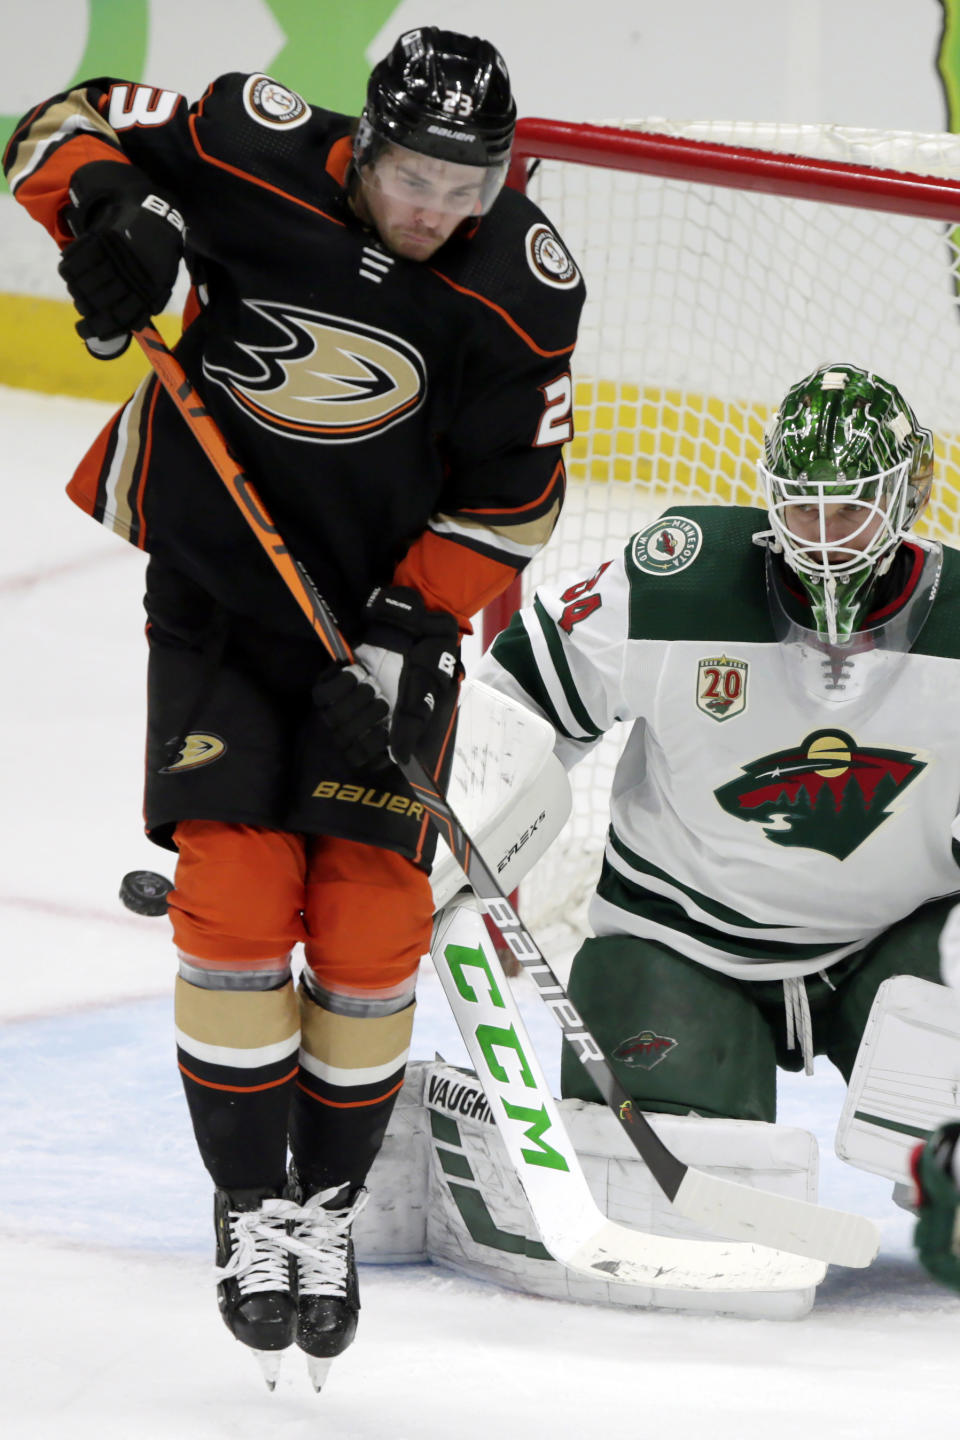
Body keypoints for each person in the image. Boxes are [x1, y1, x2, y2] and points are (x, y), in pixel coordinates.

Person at [4, 27, 584, 1381]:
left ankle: (321, 1211)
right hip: (220, 602)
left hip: (386, 629)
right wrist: (114, 211)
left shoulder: (525, 285)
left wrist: (404, 628)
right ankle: (250, 1204)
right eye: (415, 178)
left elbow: (518, 500)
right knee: (236, 896)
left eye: (469, 185)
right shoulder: (247, 141)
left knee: (373, 920)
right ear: (362, 144)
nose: (439, 212)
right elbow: (54, 122)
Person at [476, 360, 960, 1226]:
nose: (821, 536)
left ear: (907, 498)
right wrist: (431, 818)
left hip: (890, 946)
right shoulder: (677, 580)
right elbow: (514, 706)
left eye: (848, 507)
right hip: (682, 940)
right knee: (668, 1206)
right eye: (802, 505)